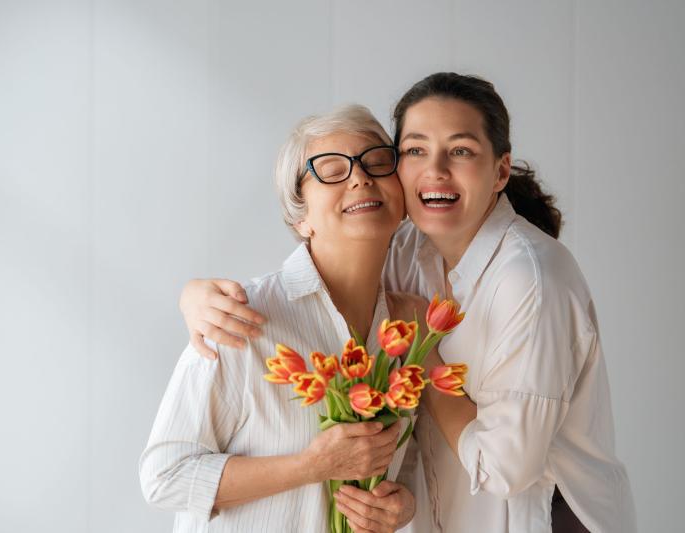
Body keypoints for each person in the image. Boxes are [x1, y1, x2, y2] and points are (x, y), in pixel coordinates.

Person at [178, 73, 636, 532]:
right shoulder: (402, 250)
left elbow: (503, 468)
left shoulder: (531, 279)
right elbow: (326, 271)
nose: (435, 170)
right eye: (415, 150)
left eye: (460, 150)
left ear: (500, 170)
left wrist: (425, 354)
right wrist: (193, 297)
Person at [140, 104, 417, 533]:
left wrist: (403, 507)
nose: (360, 177)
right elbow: (163, 477)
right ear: (300, 217)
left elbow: (413, 461)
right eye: (330, 169)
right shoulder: (239, 318)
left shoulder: (406, 331)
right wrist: (312, 465)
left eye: (378, 161)